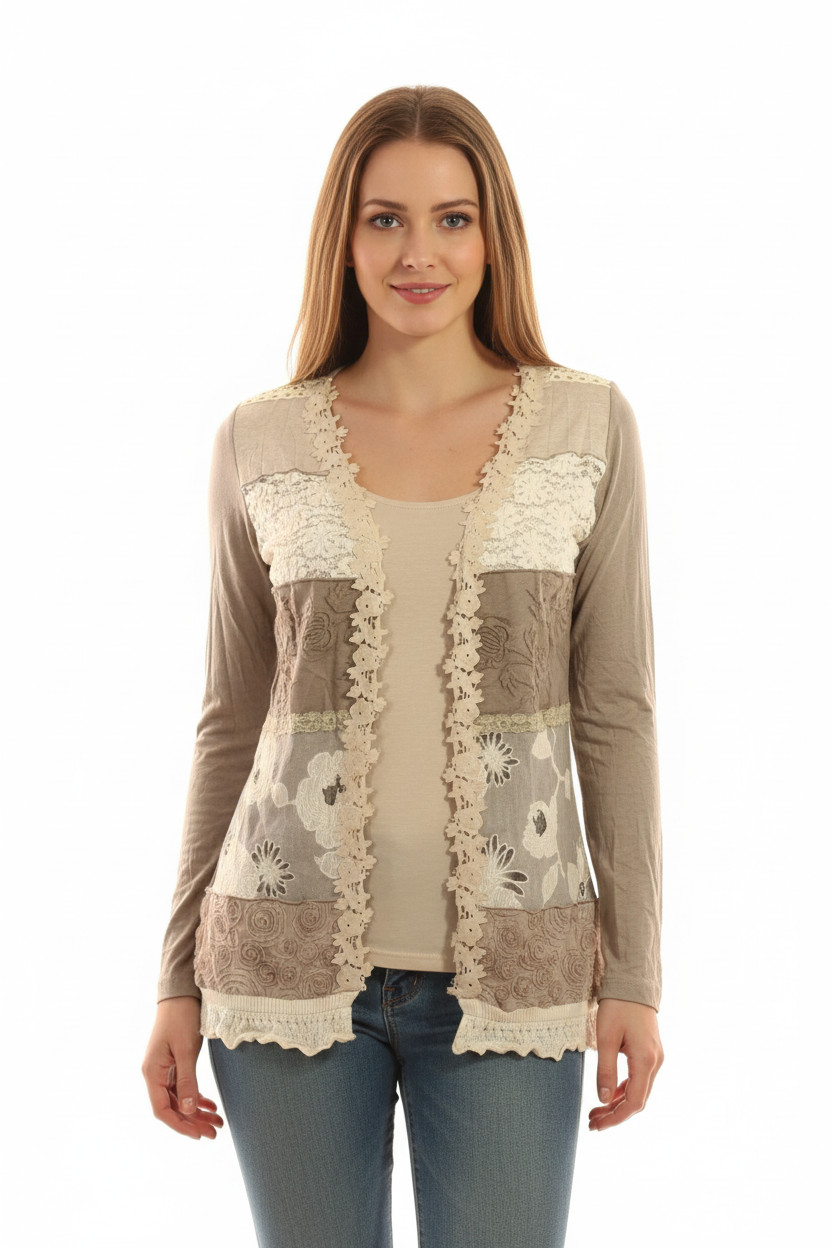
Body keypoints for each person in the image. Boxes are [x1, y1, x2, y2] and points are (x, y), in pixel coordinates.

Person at [142, 84, 664, 1248]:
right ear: (344, 238)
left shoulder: (586, 426)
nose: (417, 253)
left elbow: (616, 711)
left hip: (516, 976)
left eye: (451, 219)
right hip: (278, 972)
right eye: (384, 219)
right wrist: (176, 978)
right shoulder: (260, 438)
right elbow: (231, 717)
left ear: (493, 236)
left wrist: (633, 972)